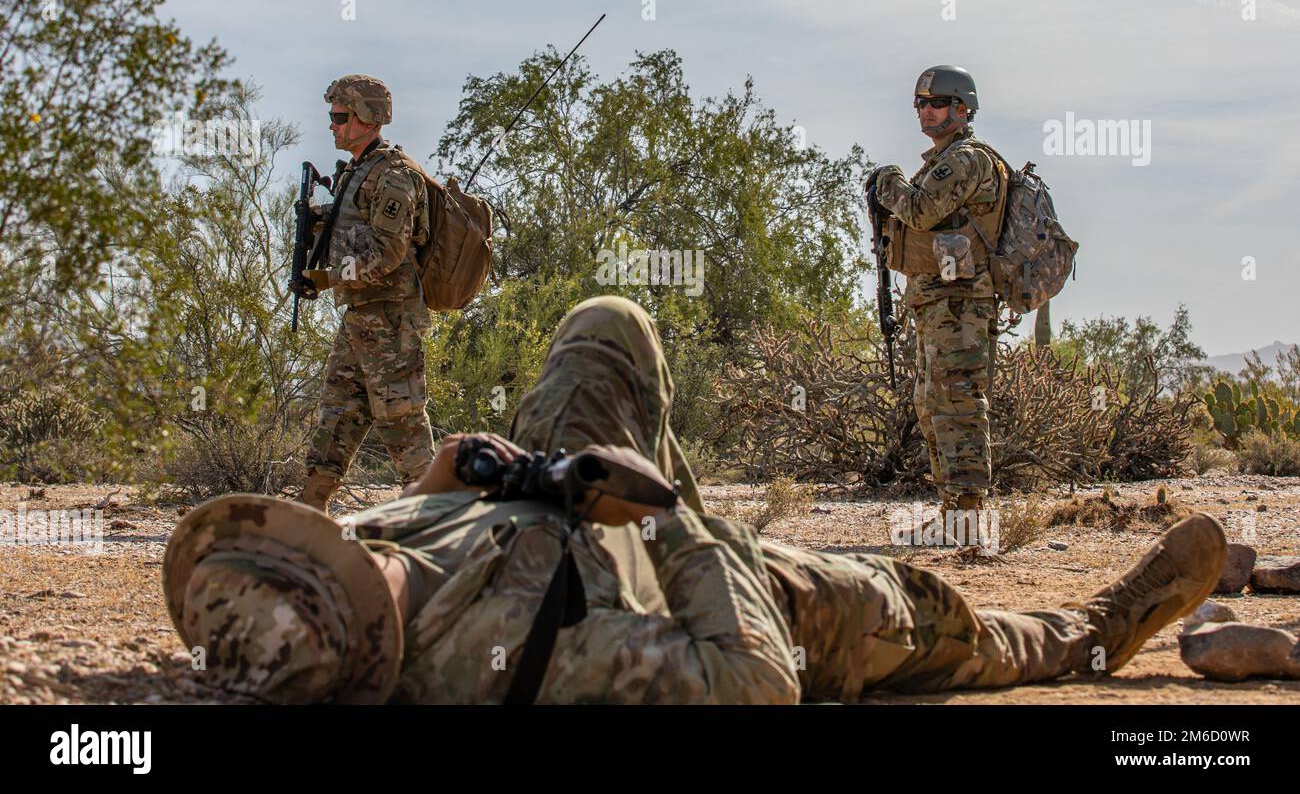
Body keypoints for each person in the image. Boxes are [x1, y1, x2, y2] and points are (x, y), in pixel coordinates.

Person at [164, 296, 1226, 704]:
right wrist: (679, 523)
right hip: (727, 590)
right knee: (946, 623)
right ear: (368, 632)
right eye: (342, 560)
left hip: (565, 499)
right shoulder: (499, 655)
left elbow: (392, 533)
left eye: (325, 543)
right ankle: (1097, 626)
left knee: (604, 324)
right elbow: (752, 679)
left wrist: (449, 476)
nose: (352, 544)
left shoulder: (347, 564)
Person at [866, 65, 1008, 546]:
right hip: (937, 301)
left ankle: (968, 519)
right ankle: (953, 513)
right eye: (920, 102)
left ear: (963, 109)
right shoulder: (942, 161)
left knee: (957, 404)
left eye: (937, 101)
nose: (926, 109)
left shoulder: (966, 160)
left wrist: (887, 181)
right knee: (932, 405)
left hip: (960, 305)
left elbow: (921, 209)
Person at [296, 75, 436, 513]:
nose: (332, 126)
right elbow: (356, 233)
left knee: (401, 421)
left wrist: (328, 277)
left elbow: (387, 253)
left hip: (391, 320)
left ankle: (435, 512)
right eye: (333, 116)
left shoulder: (393, 176)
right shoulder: (358, 171)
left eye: (340, 117)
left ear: (367, 118)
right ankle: (311, 508)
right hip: (361, 318)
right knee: (338, 414)